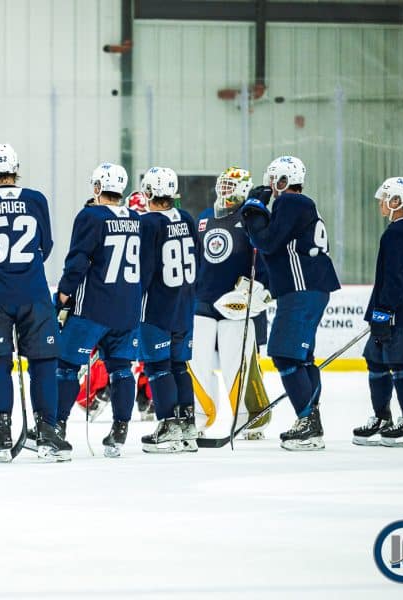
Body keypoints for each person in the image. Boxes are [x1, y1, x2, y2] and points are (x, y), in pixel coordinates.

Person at [0, 143, 69, 462]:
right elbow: (46, 245)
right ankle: (47, 431)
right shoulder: (36, 199)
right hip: (33, 292)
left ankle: (2, 433)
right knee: (44, 362)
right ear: (16, 169)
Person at [241, 156, 341, 451]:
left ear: (283, 180)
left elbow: (267, 242)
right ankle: (310, 419)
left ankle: (308, 421)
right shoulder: (300, 204)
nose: (271, 185)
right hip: (310, 288)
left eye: (274, 180)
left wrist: (254, 209)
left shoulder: (290, 202)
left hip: (302, 288)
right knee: (301, 357)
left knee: (284, 354)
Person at [55, 163, 142, 457]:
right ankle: (120, 430)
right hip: (128, 308)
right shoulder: (135, 218)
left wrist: (63, 293)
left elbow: (78, 259)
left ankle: (57, 426)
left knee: (66, 366)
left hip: (93, 307)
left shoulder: (90, 216)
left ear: (97, 187)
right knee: (121, 368)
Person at [189, 167, 273, 440]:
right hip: (202, 302)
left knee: (237, 365)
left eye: (230, 185)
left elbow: (264, 259)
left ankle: (251, 419)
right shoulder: (204, 218)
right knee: (196, 363)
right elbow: (196, 259)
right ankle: (198, 417)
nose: (224, 189)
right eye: (222, 184)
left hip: (236, 307)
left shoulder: (251, 218)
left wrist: (260, 288)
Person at [352, 177, 403, 448]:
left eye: (385, 199)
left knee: (401, 364)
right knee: (376, 360)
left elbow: (398, 276)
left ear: (397, 201)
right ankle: (382, 417)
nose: (381, 203)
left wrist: (384, 311)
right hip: (388, 308)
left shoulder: (400, 230)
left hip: (398, 312)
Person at [137, 167, 199, 453]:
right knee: (179, 365)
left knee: (158, 366)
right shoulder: (186, 218)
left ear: (149, 192)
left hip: (157, 306)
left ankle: (169, 426)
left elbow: (143, 269)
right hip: (184, 304)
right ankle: (187, 424)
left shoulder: (147, 223)